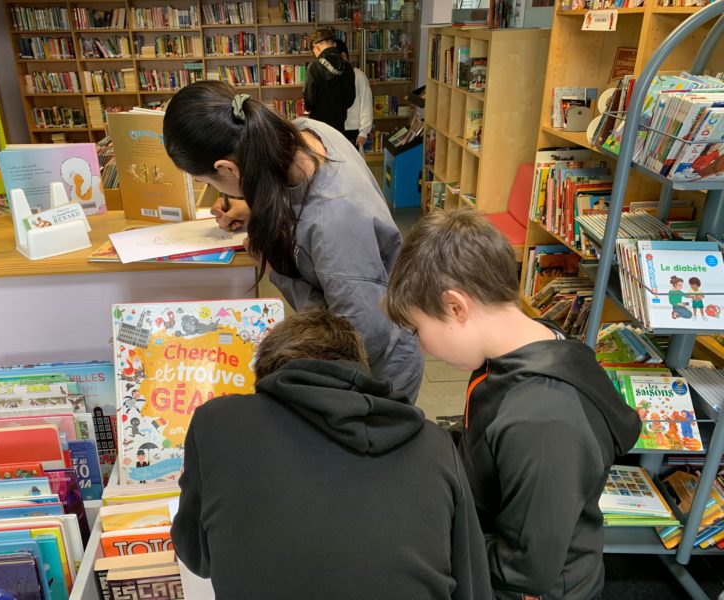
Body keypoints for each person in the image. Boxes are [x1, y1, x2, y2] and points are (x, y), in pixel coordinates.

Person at [383, 207, 642, 600]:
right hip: (493, 525)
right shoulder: (518, 347)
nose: (420, 345)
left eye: (418, 329)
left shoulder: (544, 423)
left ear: (456, 307)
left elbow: (525, 569)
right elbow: (483, 438)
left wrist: (430, 539)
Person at [170, 308, 494, 600]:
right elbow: (472, 582)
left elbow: (197, 555)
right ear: (361, 369)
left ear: (268, 379)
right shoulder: (436, 445)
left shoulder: (217, 422)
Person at [162, 81, 423, 400]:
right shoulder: (304, 132)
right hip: (371, 326)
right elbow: (292, 192)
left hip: (378, 376)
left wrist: (276, 270)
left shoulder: (334, 223)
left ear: (227, 168)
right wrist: (256, 206)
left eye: (207, 182)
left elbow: (355, 339)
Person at [302, 28, 356, 134]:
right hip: (339, 124)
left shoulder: (314, 67)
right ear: (334, 44)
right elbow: (350, 99)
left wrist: (309, 107)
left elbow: (309, 99)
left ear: (316, 48)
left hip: (318, 125)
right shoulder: (348, 67)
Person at [335, 39, 373, 149]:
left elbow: (366, 104)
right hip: (335, 129)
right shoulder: (331, 76)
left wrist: (364, 132)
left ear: (343, 56)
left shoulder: (359, 76)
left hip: (353, 131)